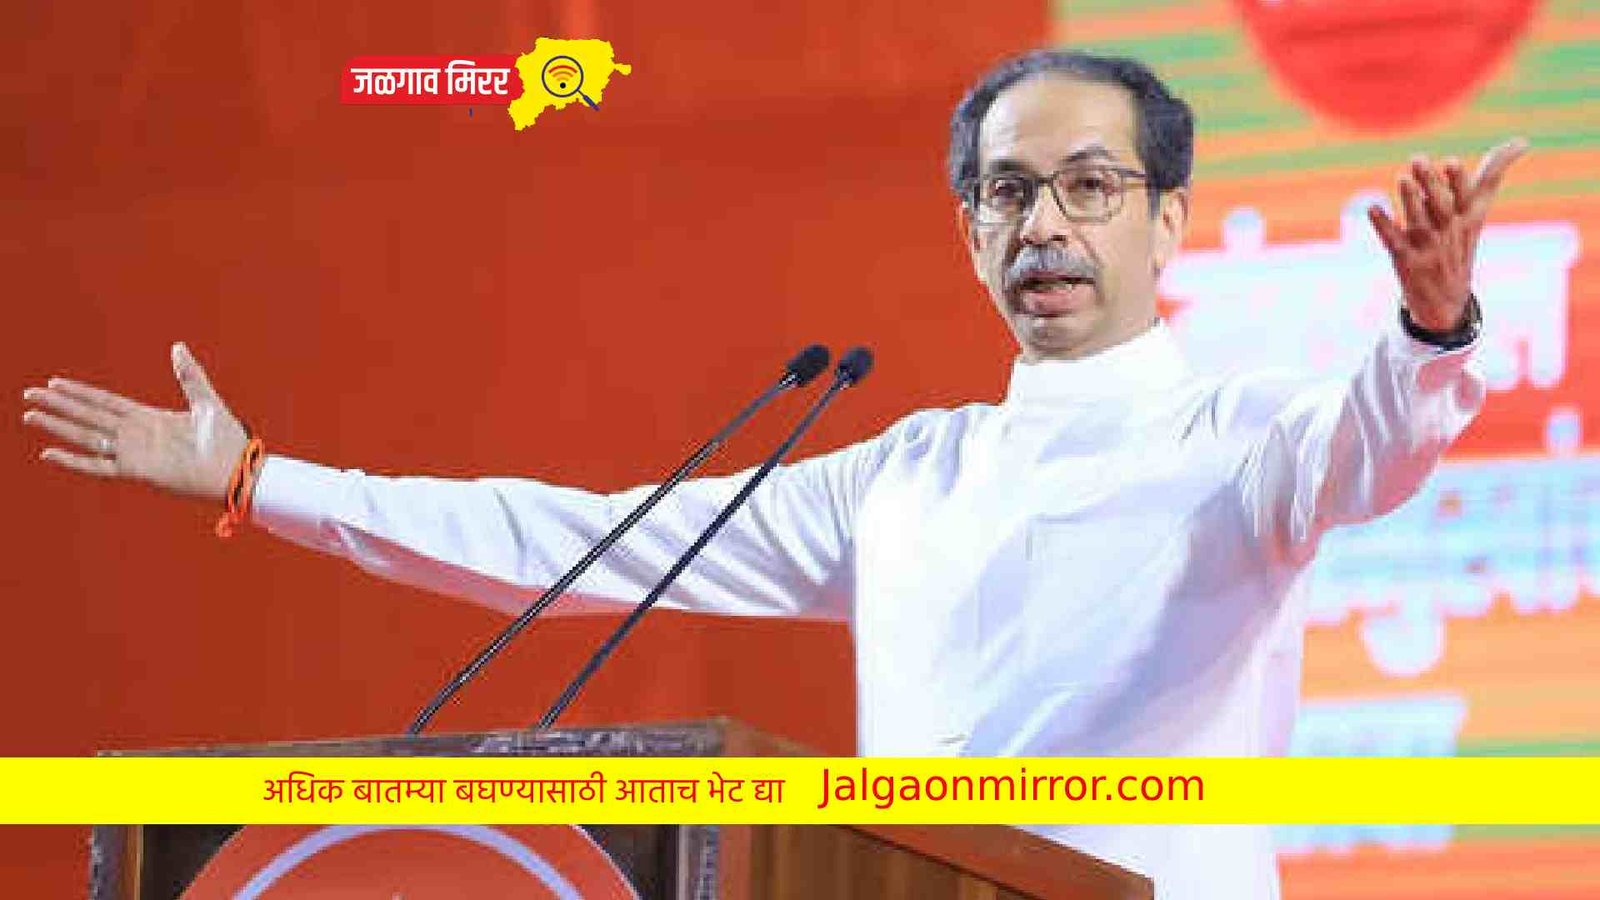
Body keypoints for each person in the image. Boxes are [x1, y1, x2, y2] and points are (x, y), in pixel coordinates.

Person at [21, 49, 1523, 899]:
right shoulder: (902, 478)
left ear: (1170, 221)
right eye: (1007, 192)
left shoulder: (1248, 439)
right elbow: (575, 546)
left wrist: (1433, 323)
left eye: (1090, 186)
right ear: (969, 234)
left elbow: (1380, 438)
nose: (1045, 225)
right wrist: (261, 478)